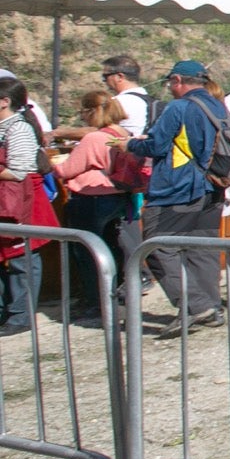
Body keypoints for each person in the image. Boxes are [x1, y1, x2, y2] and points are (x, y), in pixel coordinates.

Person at [118, 60, 228, 337]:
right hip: (212, 187)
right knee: (202, 251)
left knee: (157, 247)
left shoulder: (177, 107)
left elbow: (156, 146)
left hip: (176, 189)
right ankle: (211, 308)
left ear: (178, 80)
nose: (169, 88)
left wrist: (129, 144)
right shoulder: (217, 105)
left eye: (170, 83)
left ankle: (197, 306)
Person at [53, 91, 137, 315]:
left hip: (91, 197)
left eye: (83, 112)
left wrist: (50, 165)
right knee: (110, 246)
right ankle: (115, 291)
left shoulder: (93, 138)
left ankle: (94, 300)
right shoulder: (122, 133)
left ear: (92, 111)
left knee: (87, 250)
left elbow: (66, 170)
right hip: (117, 195)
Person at [0, 76, 51, 328]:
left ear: (4, 102)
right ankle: (6, 310)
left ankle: (21, 316)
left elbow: (18, 171)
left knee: (22, 257)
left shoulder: (18, 129)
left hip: (20, 201)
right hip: (6, 200)